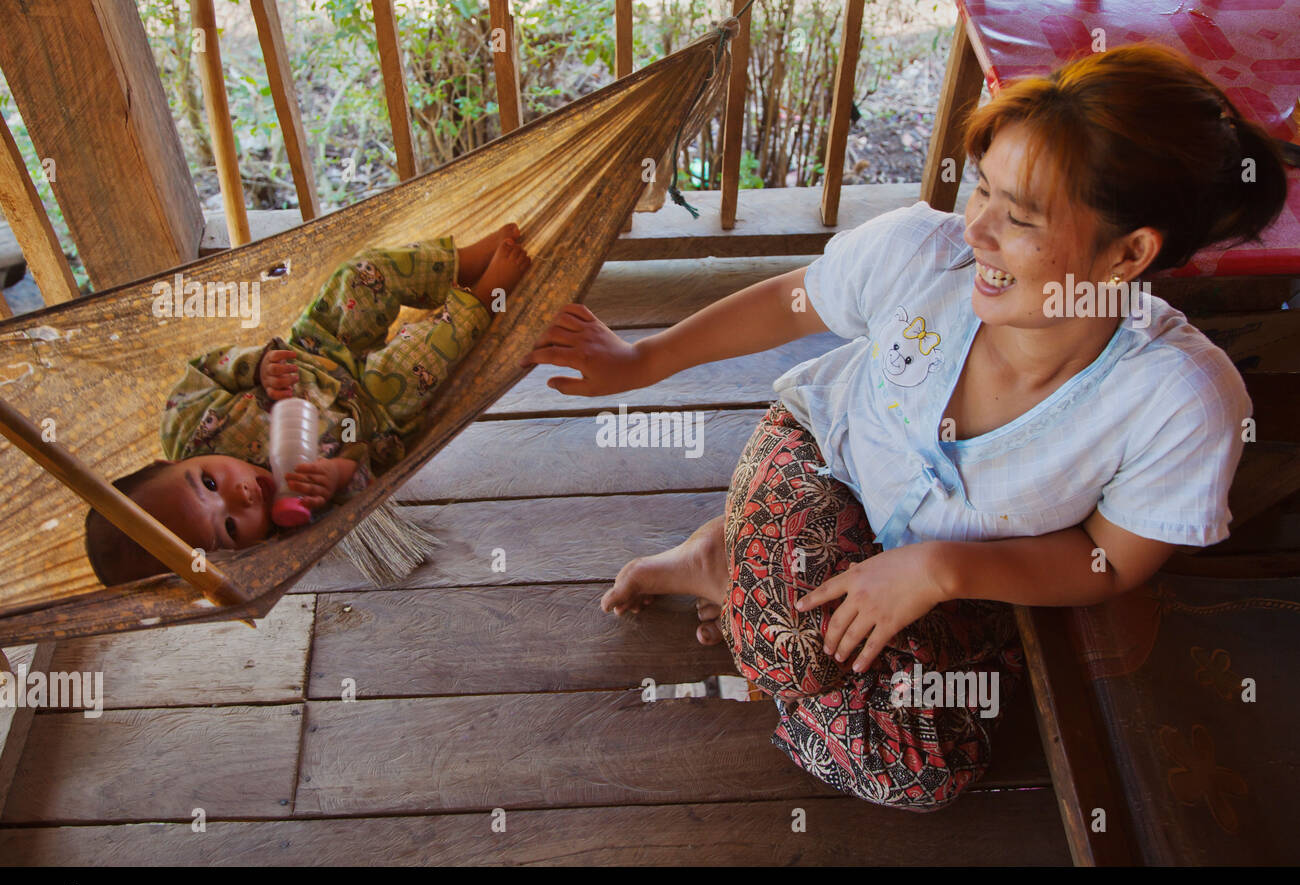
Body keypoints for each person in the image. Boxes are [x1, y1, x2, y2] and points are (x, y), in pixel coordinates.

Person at [520, 44, 1288, 810]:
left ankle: (745, 569)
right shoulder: (925, 254)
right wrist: (641, 359)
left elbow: (1107, 564)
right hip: (829, 462)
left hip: (970, 570)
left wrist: (941, 572)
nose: (977, 230)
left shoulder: (1184, 400)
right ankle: (721, 553)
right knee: (791, 650)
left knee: (923, 774)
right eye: (981, 189)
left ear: (1130, 253)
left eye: (1017, 216)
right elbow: (795, 302)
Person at [84, 224, 530, 586]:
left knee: (357, 277)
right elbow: (364, 482)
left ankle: (461, 263)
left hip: (317, 351)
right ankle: (484, 299)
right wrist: (338, 474)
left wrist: (256, 366)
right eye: (231, 529)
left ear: (166, 461)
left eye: (208, 483)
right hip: (371, 412)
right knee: (416, 363)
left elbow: (208, 368)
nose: (240, 498)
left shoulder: (187, 423)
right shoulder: (291, 519)